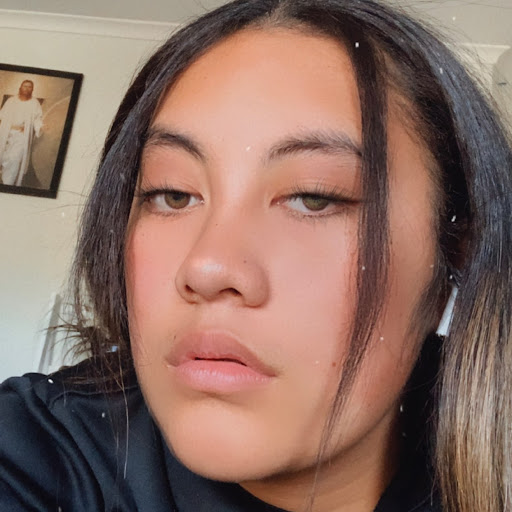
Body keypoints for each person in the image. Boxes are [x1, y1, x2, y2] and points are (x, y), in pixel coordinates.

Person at [1, 1, 511, 511]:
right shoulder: (36, 453)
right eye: (172, 194)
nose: (207, 267)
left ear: (455, 251)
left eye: (314, 197)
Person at [0, 79, 43, 186]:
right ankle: (4, 178)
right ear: (20, 87)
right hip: (7, 133)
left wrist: (40, 127)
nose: (27, 88)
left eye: (29, 87)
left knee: (14, 159)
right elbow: (1, 116)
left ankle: (8, 184)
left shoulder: (34, 103)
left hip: (21, 136)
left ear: (32, 89)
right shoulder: (11, 101)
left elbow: (37, 119)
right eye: (25, 86)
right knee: (5, 157)